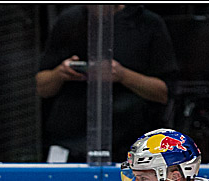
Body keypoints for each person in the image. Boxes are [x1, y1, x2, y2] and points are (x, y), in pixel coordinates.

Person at [35, 4, 178, 163]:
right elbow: (41, 86)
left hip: (133, 146)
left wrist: (123, 75)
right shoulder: (69, 20)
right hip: (69, 144)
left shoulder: (148, 23)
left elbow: (164, 93)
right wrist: (60, 73)